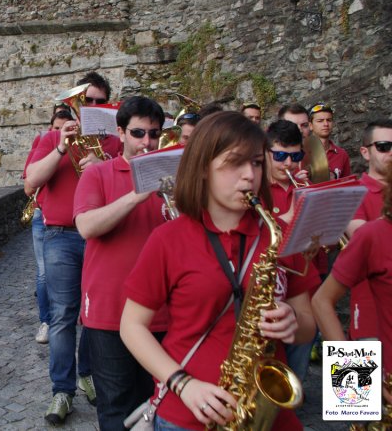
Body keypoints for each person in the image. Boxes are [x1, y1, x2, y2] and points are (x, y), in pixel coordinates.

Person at [120, 111, 318, 431]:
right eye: (234, 163)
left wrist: (293, 324)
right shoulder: (168, 240)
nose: (249, 176)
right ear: (202, 169)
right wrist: (183, 384)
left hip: (269, 416)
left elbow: (309, 325)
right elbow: (131, 326)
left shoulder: (278, 234)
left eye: (255, 162)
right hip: (189, 414)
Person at [26, 71, 122, 425]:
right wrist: (61, 148)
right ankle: (62, 391)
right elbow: (30, 183)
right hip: (61, 236)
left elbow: (128, 186)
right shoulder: (52, 136)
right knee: (63, 315)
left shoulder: (114, 143)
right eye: (86, 101)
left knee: (93, 314)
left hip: (100, 237)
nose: (92, 107)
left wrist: (105, 167)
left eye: (99, 101)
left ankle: (87, 373)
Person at [73, 96, 166, 430]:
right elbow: (86, 226)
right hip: (109, 313)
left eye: (154, 134)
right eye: (139, 133)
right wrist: (138, 193)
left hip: (162, 313)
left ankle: (343, 410)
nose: (147, 142)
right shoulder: (98, 174)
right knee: (115, 407)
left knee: (157, 406)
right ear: (121, 133)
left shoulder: (174, 180)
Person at [311, 164, 392, 406]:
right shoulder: (375, 234)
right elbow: (320, 301)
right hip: (382, 376)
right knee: (356, 408)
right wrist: (355, 381)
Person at [264, 120, 317, 382]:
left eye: (295, 157)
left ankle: (356, 417)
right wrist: (291, 216)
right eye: (281, 156)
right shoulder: (258, 189)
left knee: (301, 361)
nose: (288, 164)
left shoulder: (306, 189)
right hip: (279, 288)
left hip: (313, 279)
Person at [23, 109, 74, 345]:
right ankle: (45, 321)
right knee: (44, 273)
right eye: (56, 128)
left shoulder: (82, 145)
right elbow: (28, 186)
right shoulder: (46, 142)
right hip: (44, 218)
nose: (60, 131)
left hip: (74, 223)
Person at [342, 119, 392, 341]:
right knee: (351, 377)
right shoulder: (352, 192)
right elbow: (367, 241)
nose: (390, 153)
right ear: (365, 152)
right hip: (367, 313)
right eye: (383, 147)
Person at [309, 103, 351, 179]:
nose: (326, 124)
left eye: (329, 120)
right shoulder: (301, 154)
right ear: (310, 125)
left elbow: (348, 186)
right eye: (320, 121)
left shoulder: (342, 154)